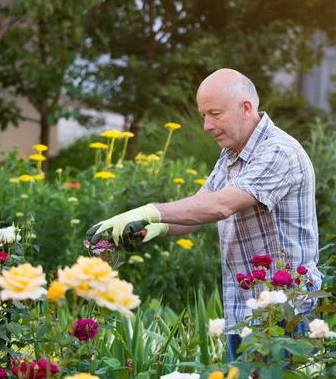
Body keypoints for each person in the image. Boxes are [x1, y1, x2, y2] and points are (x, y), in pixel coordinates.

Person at [86, 68, 323, 362]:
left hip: (284, 312)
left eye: (215, 113)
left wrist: (150, 211)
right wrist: (151, 227)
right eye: (203, 115)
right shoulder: (233, 152)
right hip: (246, 310)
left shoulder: (278, 151)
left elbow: (221, 205)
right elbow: (201, 206)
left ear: (246, 108)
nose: (207, 125)